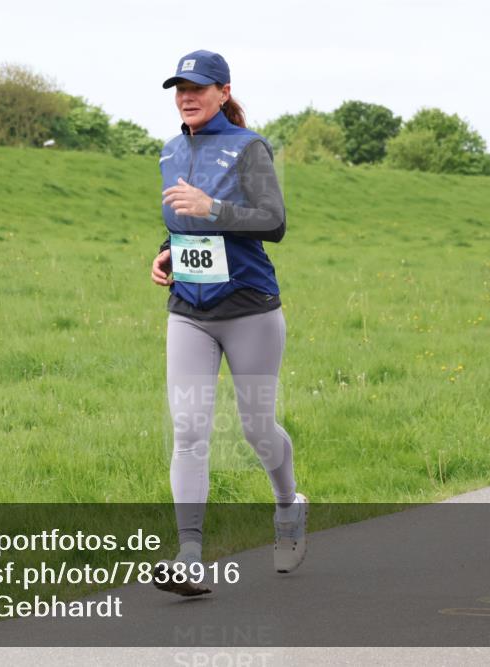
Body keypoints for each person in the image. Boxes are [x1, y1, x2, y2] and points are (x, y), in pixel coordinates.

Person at [149, 50, 307, 595]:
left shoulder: (248, 147)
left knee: (256, 429)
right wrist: (166, 251)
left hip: (249, 309)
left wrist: (212, 208)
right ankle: (190, 556)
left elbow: (274, 221)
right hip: (189, 311)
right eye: (179, 88)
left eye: (197, 87)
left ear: (223, 91)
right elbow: (181, 222)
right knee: (189, 430)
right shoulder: (170, 151)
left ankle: (289, 507)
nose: (186, 97)